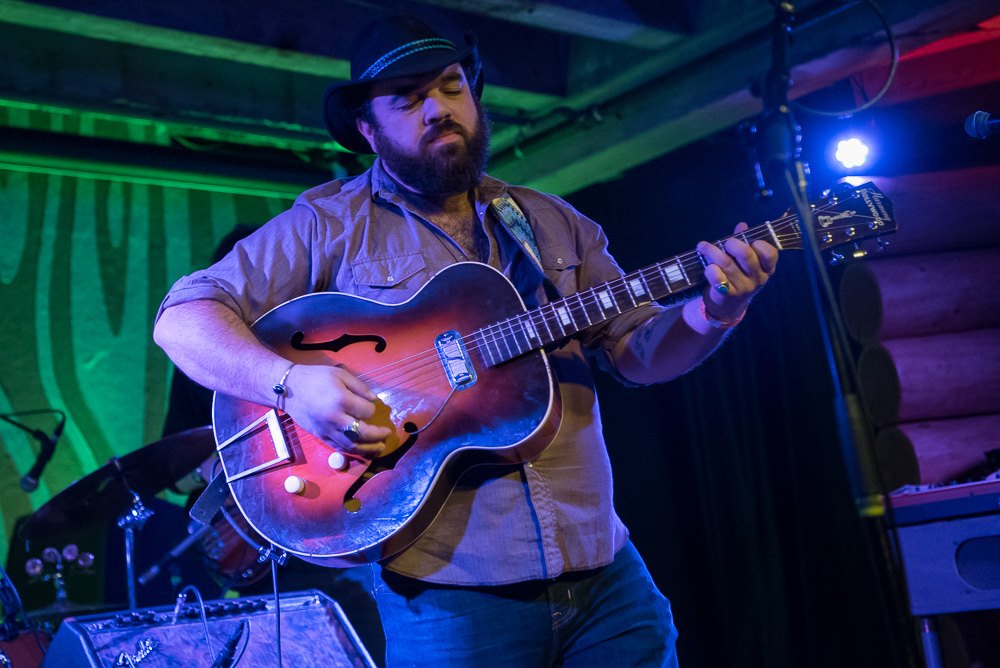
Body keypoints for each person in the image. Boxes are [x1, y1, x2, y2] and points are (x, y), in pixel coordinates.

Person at [153, 15, 778, 667]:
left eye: (451, 86)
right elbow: (182, 319)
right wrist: (292, 384)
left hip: (609, 581)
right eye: (408, 98)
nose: (437, 109)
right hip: (452, 602)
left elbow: (638, 353)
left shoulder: (555, 223)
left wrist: (716, 311)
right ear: (367, 127)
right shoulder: (326, 226)